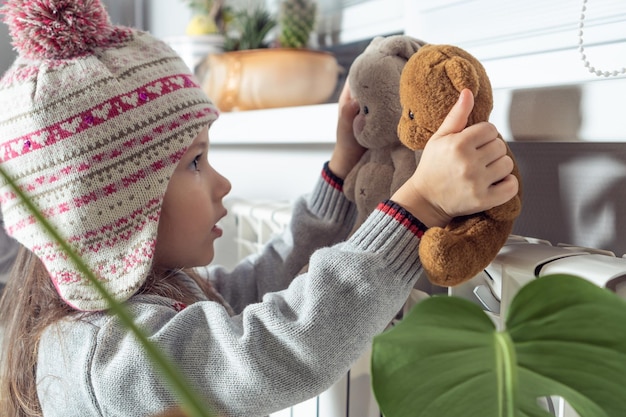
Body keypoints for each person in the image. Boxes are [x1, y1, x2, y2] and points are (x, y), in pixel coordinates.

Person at [0, 1, 518, 416]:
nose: (222, 182)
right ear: (114, 207)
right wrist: (420, 204)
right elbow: (279, 349)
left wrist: (341, 171)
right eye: (196, 162)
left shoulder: (156, 298)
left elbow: (261, 285)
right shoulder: (111, 360)